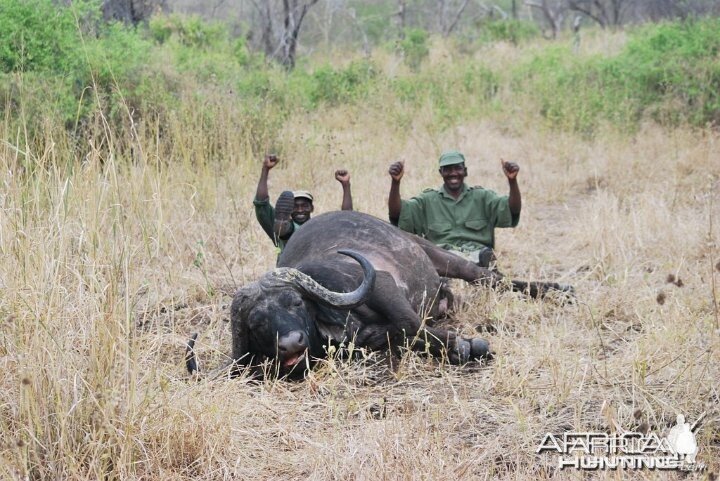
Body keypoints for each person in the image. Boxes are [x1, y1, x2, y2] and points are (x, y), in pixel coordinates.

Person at [387, 150, 520, 268]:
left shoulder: (482, 197)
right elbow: (398, 213)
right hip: (444, 259)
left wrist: (512, 181)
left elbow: (512, 209)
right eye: (447, 169)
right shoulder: (427, 200)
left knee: (486, 259)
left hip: (478, 256)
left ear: (465, 171)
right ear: (441, 173)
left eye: (457, 168)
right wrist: (395, 182)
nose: (453, 173)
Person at [254, 154, 353, 251]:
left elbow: (347, 218)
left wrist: (346, 185)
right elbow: (261, 204)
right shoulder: (284, 225)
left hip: (316, 262)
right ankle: (283, 228)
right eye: (295, 206)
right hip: (289, 264)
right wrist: (265, 170)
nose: (300, 210)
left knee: (343, 225)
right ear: (289, 210)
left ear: (312, 208)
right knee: (289, 230)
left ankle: (286, 229)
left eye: (304, 206)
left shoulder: (319, 227)